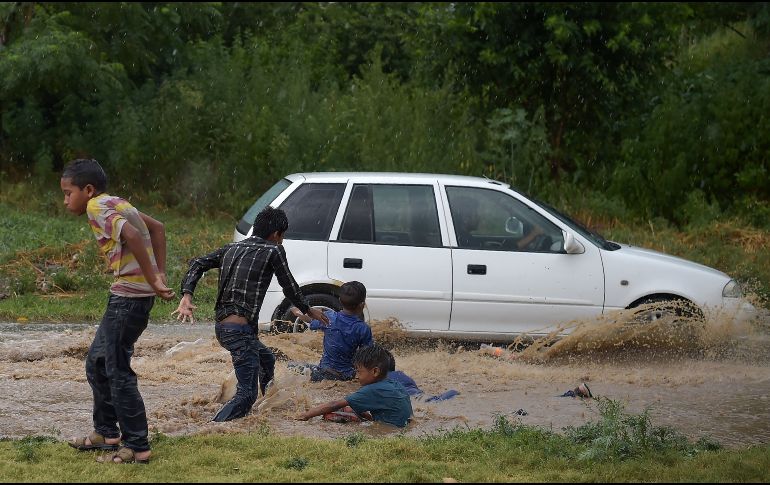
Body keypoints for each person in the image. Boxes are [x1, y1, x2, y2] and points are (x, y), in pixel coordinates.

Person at [61, 158, 175, 465]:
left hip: (128, 298)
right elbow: (158, 228)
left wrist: (153, 278)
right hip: (130, 297)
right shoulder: (117, 202)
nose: (65, 199)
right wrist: (159, 275)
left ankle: (137, 445)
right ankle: (106, 433)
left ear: (87, 189)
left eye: (68, 192)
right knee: (97, 362)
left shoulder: (96, 207)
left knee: (117, 371)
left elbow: (135, 236)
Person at [172, 206, 328, 422]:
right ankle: (213, 426)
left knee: (267, 358)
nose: (282, 241)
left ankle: (266, 405)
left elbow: (198, 263)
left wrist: (187, 295)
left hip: (224, 329)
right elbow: (289, 285)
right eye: (282, 237)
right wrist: (309, 310)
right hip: (239, 332)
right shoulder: (274, 250)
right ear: (276, 234)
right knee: (246, 394)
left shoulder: (231, 248)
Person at [296, 344, 413, 428]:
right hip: (404, 427)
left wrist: (305, 415)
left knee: (332, 415)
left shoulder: (371, 390)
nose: (356, 376)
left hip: (391, 431)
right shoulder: (396, 384)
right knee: (353, 410)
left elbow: (334, 404)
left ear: (375, 371)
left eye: (359, 371)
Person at [288, 281, 373, 382]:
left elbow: (310, 320)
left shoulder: (329, 317)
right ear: (362, 305)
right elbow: (367, 356)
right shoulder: (363, 328)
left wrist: (297, 312)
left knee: (290, 366)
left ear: (340, 300)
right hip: (347, 376)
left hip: (323, 372)